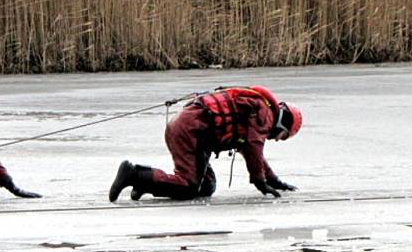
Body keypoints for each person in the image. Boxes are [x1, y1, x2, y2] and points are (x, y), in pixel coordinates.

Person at [108, 85, 302, 202]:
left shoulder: (258, 109)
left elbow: (251, 150)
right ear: (283, 123)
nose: (277, 139)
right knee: (188, 187)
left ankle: (147, 182)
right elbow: (253, 146)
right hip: (191, 131)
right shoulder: (264, 113)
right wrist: (260, 182)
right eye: (283, 136)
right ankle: (133, 174)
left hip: (195, 132)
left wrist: (274, 180)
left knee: (206, 186)